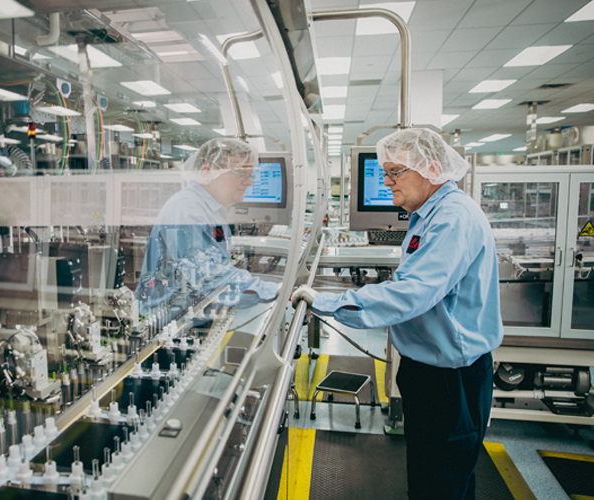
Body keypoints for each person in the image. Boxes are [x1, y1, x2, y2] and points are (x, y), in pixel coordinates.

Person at [292, 128, 503, 500]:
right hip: (434, 372)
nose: (387, 182)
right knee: (438, 474)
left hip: (449, 380)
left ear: (432, 168)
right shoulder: (429, 213)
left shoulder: (451, 218)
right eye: (385, 173)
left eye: (395, 172)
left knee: (439, 482)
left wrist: (327, 302)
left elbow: (412, 293)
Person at [135, 138, 278, 315]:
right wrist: (276, 291)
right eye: (241, 174)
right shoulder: (188, 209)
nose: (249, 183)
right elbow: (212, 277)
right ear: (207, 172)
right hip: (163, 323)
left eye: (251, 175)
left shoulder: (213, 208)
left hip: (191, 311)